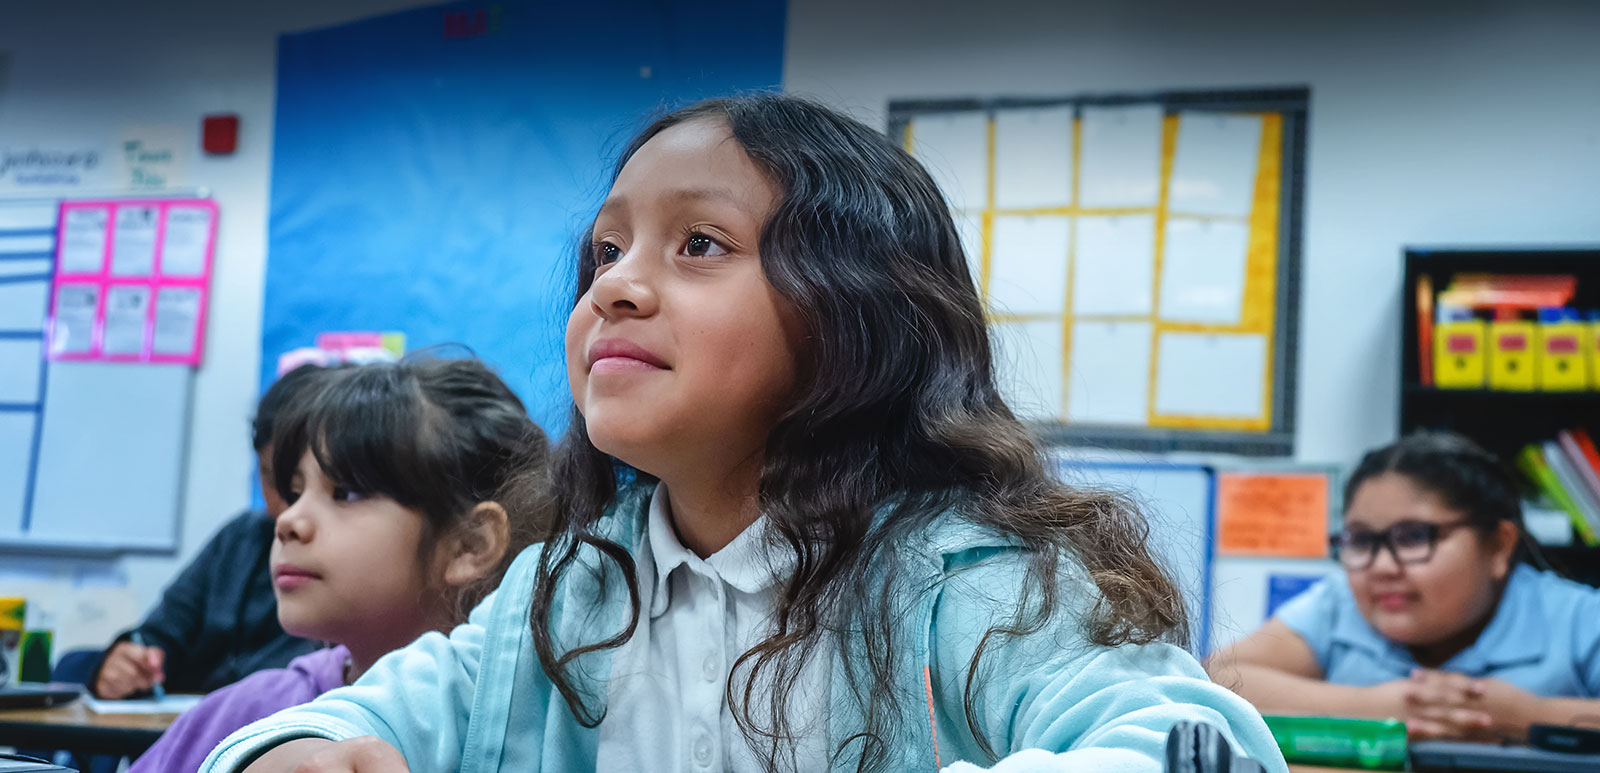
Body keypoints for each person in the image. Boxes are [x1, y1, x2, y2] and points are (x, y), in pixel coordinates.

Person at [203, 94, 1282, 773]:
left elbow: (1203, 741)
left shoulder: (976, 583)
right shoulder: (564, 590)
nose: (617, 286)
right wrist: (290, 747)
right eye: (604, 253)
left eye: (700, 244)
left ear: (857, 312)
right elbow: (318, 725)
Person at [132, 357, 546, 773]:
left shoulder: (531, 727)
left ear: (468, 545)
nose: (289, 521)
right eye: (294, 493)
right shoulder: (241, 712)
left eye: (345, 493)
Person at [1209, 431, 1600, 741]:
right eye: (1361, 541)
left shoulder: (1578, 616)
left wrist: (1527, 718)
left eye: (1413, 537)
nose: (1380, 567)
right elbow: (1217, 678)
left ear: (1498, 546)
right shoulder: (1341, 603)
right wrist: (1378, 708)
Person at [91, 365, 325, 700]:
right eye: (273, 480)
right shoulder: (239, 539)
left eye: (301, 486)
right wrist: (125, 663)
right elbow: (157, 636)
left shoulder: (347, 567)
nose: (284, 511)